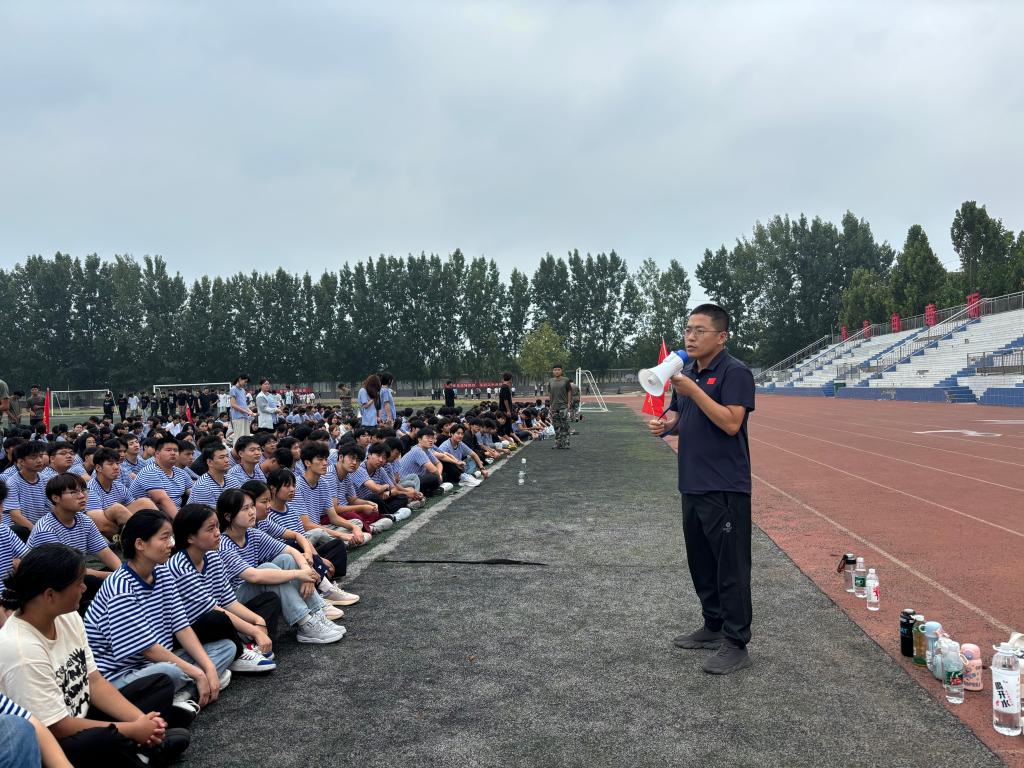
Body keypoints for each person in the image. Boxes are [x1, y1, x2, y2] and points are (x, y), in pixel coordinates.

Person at [0, 543, 191, 767]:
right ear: (50, 595)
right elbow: (56, 727)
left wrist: (140, 721)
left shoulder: (66, 615)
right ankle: (139, 749)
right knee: (104, 739)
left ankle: (139, 747)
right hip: (56, 742)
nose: (84, 588)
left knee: (160, 684)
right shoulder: (21, 649)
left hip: (83, 715)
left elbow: (95, 681)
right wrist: (131, 729)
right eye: (78, 583)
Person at [647, 303, 755, 675]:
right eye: (687, 329)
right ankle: (712, 625)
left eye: (699, 330)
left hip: (725, 486)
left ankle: (736, 642)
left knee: (731, 568)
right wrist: (667, 426)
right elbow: (681, 416)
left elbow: (730, 422)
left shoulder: (735, 372)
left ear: (721, 337)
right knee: (701, 562)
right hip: (692, 482)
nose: (690, 337)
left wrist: (693, 391)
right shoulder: (687, 372)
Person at [84, 511, 233, 707]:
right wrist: (198, 673)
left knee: (226, 647)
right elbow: (149, 650)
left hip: (154, 665)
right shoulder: (120, 588)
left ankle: (185, 694)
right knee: (170, 671)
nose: (172, 543)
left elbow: (182, 627)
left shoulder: (162, 572)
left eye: (171, 537)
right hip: (119, 676)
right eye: (164, 538)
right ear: (140, 544)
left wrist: (208, 668)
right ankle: (187, 690)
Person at [215, 490, 343, 645]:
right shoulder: (223, 544)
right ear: (228, 517)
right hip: (235, 602)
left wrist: (306, 573)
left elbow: (291, 551)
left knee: (286, 559)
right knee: (267, 569)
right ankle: (305, 623)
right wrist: (299, 574)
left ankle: (317, 613)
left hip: (253, 591)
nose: (251, 512)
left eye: (252, 506)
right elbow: (254, 576)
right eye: (245, 509)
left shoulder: (253, 534)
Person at [166, 505, 278, 675]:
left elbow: (229, 601)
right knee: (217, 617)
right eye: (210, 529)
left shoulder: (212, 555)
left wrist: (258, 621)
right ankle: (239, 652)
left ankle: (250, 645)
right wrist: (255, 630)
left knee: (270, 599)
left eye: (218, 526)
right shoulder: (178, 567)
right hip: (190, 630)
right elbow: (212, 608)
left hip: (217, 620)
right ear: (190, 537)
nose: (218, 533)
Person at [128, 436, 194, 519]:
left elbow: (194, 493)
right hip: (149, 517)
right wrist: (182, 523)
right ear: (157, 454)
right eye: (168, 450)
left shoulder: (181, 472)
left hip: (173, 514)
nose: (173, 453)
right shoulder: (150, 471)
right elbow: (163, 501)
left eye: (176, 450)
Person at [547, 365, 573, 449]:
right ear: (553, 371)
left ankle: (566, 442)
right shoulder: (551, 381)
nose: (557, 371)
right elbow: (550, 393)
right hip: (554, 407)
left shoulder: (566, 380)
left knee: (565, 425)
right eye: (555, 370)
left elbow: (569, 391)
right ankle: (558, 443)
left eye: (558, 370)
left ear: (561, 371)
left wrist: (568, 403)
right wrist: (550, 404)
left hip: (563, 406)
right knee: (556, 425)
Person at [229, 375, 256, 444]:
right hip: (237, 416)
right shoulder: (233, 389)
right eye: (245, 381)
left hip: (245, 416)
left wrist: (251, 412)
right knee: (238, 438)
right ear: (240, 379)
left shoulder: (243, 390)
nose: (246, 383)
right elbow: (233, 404)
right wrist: (247, 412)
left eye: (247, 382)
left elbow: (244, 405)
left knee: (246, 437)